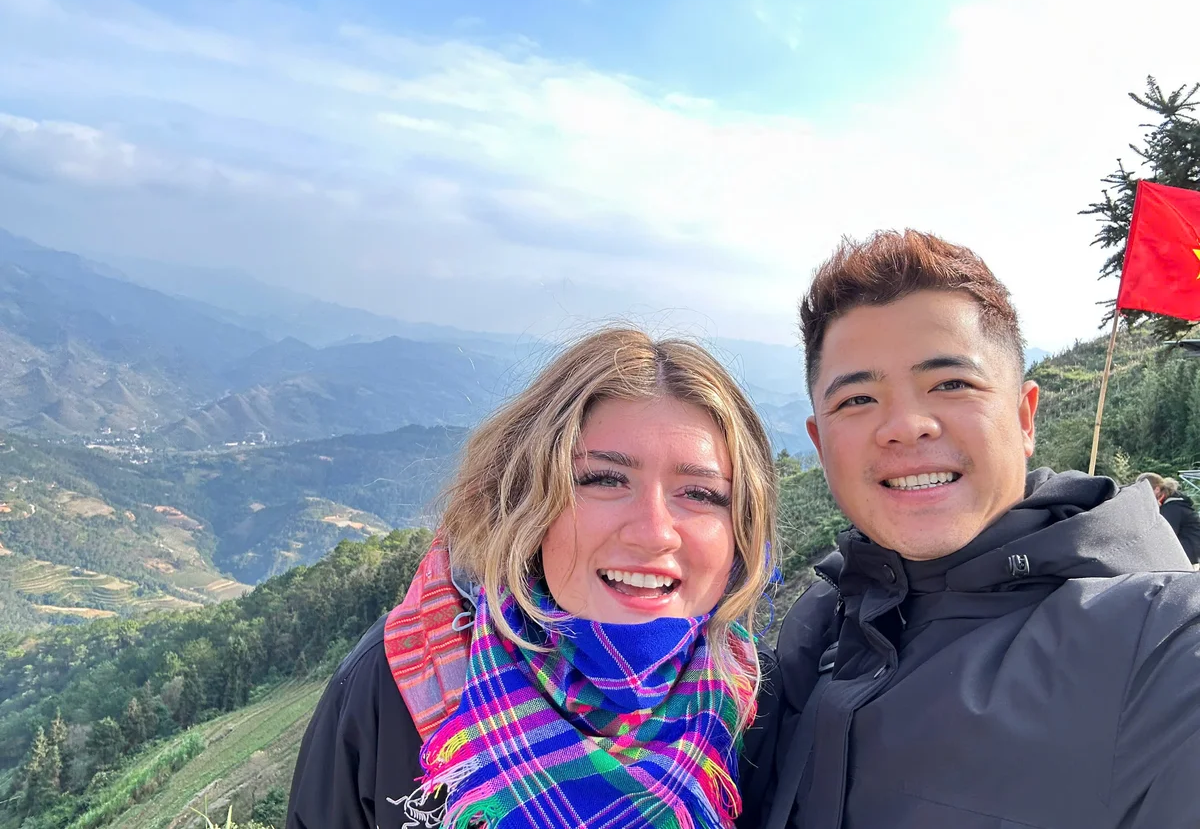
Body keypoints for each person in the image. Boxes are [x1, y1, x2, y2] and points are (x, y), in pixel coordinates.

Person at [756, 230, 1200, 829]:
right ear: (820, 442)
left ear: (1024, 417)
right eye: (857, 399)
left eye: (951, 384)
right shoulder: (819, 621)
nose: (906, 425)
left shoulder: (1156, 640)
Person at [286, 327, 780, 829]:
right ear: (527, 499)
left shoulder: (761, 702)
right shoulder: (394, 681)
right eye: (604, 479)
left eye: (699, 493)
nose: (654, 534)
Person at [1136, 472, 1200, 565]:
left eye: (1143, 492)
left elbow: (1163, 536)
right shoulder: (1175, 504)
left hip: (1187, 555)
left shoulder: (1172, 508)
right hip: (1190, 551)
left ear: (1157, 489)